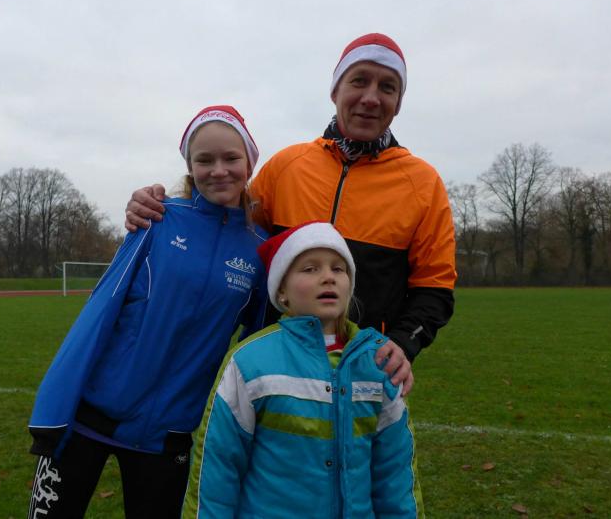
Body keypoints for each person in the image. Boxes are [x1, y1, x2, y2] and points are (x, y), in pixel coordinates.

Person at [124, 33, 457, 393]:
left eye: (387, 87)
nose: (371, 97)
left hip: (363, 375)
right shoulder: (287, 166)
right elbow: (223, 222)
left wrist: (404, 342)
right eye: (359, 80)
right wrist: (163, 205)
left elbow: (435, 289)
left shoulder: (423, 184)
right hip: (273, 373)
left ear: (399, 102)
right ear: (335, 90)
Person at [27, 105, 268, 518]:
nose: (218, 170)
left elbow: (257, 346)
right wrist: (53, 408)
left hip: (168, 436)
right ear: (190, 167)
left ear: (250, 162)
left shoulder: (259, 250)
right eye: (204, 160)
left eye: (231, 158)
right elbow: (100, 310)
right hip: (89, 419)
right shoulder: (156, 219)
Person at [182, 221, 421, 518]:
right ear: (282, 291)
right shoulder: (250, 361)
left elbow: (395, 475)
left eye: (338, 269)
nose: (328, 277)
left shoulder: (379, 362)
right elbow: (217, 471)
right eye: (310, 269)